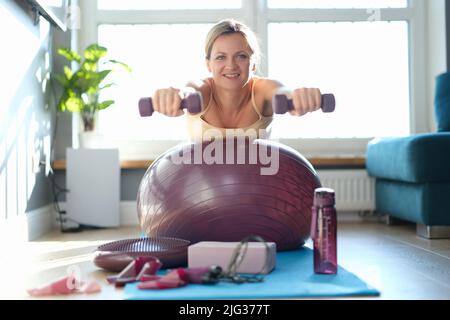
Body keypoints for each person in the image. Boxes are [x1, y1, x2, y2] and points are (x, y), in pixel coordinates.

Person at [151, 19, 322, 140]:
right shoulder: (201, 90)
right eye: (220, 57)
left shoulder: (262, 90)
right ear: (208, 64)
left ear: (253, 64)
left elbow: (283, 92)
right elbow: (188, 90)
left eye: (241, 56)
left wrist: (298, 97)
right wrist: (173, 96)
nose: (231, 65)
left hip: (257, 187)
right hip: (203, 190)